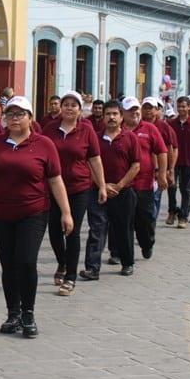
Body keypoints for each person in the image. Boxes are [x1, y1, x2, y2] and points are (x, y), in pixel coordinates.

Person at [0, 96, 73, 337]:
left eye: (20, 114)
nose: (14, 118)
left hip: (33, 212)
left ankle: (28, 314)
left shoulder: (44, 144)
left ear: (30, 118)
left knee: (26, 261)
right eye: (10, 114)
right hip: (0, 213)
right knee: (9, 265)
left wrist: (66, 212)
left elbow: (55, 180)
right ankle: (13, 313)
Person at [41, 91, 106, 296]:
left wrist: (102, 186)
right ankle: (62, 261)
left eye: (73, 105)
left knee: (73, 231)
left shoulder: (87, 131)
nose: (69, 108)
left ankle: (70, 277)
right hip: (52, 189)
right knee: (53, 231)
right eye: (65, 104)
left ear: (80, 110)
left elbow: (95, 160)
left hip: (79, 188)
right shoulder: (50, 129)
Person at [80, 100, 140, 280]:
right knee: (97, 229)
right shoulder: (95, 138)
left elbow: (136, 165)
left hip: (124, 192)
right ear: (103, 117)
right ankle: (92, 268)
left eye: (115, 114)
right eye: (108, 114)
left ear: (122, 117)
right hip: (98, 191)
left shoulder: (130, 138)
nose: (111, 117)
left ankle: (127, 263)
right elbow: (88, 164)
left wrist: (119, 185)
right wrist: (102, 185)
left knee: (123, 229)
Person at [121, 97, 167, 260]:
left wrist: (162, 174)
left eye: (136, 109)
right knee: (121, 221)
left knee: (144, 220)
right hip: (122, 185)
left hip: (143, 184)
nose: (134, 112)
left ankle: (147, 243)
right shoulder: (117, 130)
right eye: (130, 110)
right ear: (123, 113)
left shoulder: (149, 129)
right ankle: (119, 253)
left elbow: (162, 152)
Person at [166, 96, 190, 229]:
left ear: (189, 107)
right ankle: (172, 211)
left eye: (184, 106)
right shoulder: (171, 123)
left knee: (186, 190)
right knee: (171, 186)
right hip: (174, 161)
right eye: (179, 106)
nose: (181, 109)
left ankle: (183, 216)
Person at [141, 97, 178, 222]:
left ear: (157, 110)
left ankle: (151, 225)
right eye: (145, 108)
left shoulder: (163, 127)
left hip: (158, 171)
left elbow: (169, 149)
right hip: (140, 171)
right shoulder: (136, 124)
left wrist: (169, 170)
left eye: (150, 108)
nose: (148, 111)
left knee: (155, 198)